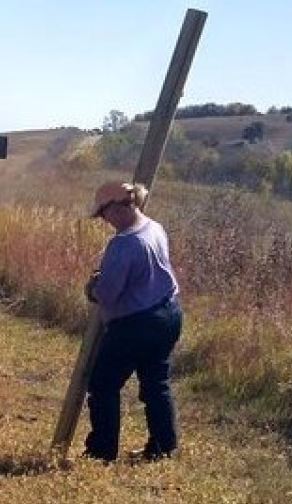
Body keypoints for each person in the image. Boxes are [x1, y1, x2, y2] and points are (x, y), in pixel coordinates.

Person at [82, 181, 183, 462]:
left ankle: (101, 453)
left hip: (136, 325)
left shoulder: (124, 244)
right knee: (155, 384)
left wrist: (92, 287)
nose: (105, 221)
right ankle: (163, 447)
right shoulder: (155, 227)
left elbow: (108, 294)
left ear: (115, 208)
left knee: (103, 385)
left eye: (104, 214)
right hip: (169, 315)